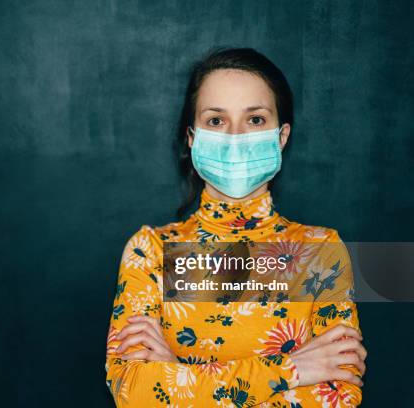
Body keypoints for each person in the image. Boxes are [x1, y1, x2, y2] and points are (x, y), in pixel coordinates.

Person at [105, 47, 366, 407]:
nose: (235, 136)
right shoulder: (150, 249)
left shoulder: (320, 250)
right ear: (193, 137)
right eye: (216, 120)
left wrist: (179, 377)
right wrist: (292, 370)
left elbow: (339, 398)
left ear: (282, 136)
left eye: (255, 119)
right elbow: (132, 391)